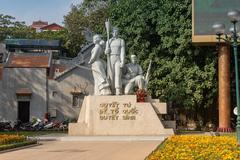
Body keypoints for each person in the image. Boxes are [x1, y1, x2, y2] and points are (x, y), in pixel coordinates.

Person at [105, 27, 125, 95]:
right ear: (112, 33)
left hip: (118, 58)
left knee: (118, 74)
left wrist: (122, 61)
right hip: (110, 58)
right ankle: (111, 89)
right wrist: (107, 51)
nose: (115, 33)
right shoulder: (108, 41)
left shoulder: (121, 41)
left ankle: (118, 89)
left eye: (117, 32)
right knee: (111, 74)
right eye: (114, 32)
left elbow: (122, 52)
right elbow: (105, 52)